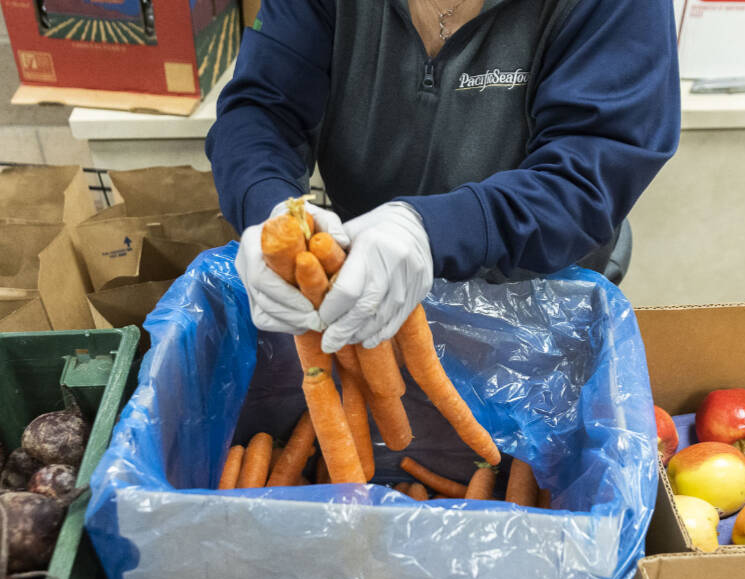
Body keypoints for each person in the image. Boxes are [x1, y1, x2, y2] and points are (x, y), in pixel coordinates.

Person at [206, 0, 680, 354]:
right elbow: (262, 110)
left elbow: (587, 174)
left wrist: (429, 230)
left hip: (539, 299)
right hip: (362, 285)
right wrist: (270, 210)